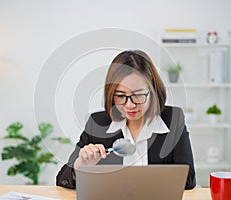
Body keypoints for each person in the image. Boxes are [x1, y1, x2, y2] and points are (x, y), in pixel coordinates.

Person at [56, 50, 196, 189]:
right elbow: (62, 178)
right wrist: (80, 166)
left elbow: (188, 179)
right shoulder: (98, 123)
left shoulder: (173, 119)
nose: (130, 105)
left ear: (152, 90)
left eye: (138, 95)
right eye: (121, 96)